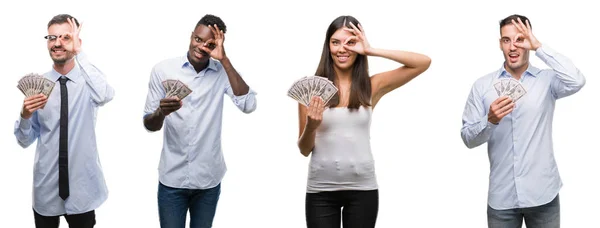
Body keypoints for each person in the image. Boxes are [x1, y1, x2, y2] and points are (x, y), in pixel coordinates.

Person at [297, 15, 431, 228]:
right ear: (328, 46)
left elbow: (423, 62)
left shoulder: (372, 86)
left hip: (363, 190)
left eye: (350, 42)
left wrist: (371, 50)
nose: (342, 49)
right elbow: (304, 149)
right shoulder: (311, 90)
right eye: (335, 42)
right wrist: (311, 127)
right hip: (321, 190)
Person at [460, 14, 586, 228]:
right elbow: (468, 138)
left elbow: (577, 80)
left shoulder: (547, 81)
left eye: (519, 39)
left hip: (543, 195)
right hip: (502, 199)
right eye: (506, 40)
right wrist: (489, 121)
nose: (513, 47)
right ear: (500, 44)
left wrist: (539, 47)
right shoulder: (482, 86)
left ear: (528, 42)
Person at [142, 14, 257, 228]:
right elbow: (149, 124)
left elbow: (248, 105)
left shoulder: (223, 72)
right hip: (172, 180)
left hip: (208, 180)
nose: (202, 46)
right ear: (191, 36)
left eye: (210, 44)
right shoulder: (163, 70)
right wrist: (161, 112)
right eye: (198, 39)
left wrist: (224, 59)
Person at [14, 14, 115, 228]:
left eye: (65, 37)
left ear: (77, 42)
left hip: (83, 187)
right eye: (52, 37)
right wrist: (24, 116)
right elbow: (24, 141)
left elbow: (105, 95)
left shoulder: (89, 82)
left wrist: (80, 54)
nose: (57, 43)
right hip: (46, 185)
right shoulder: (39, 85)